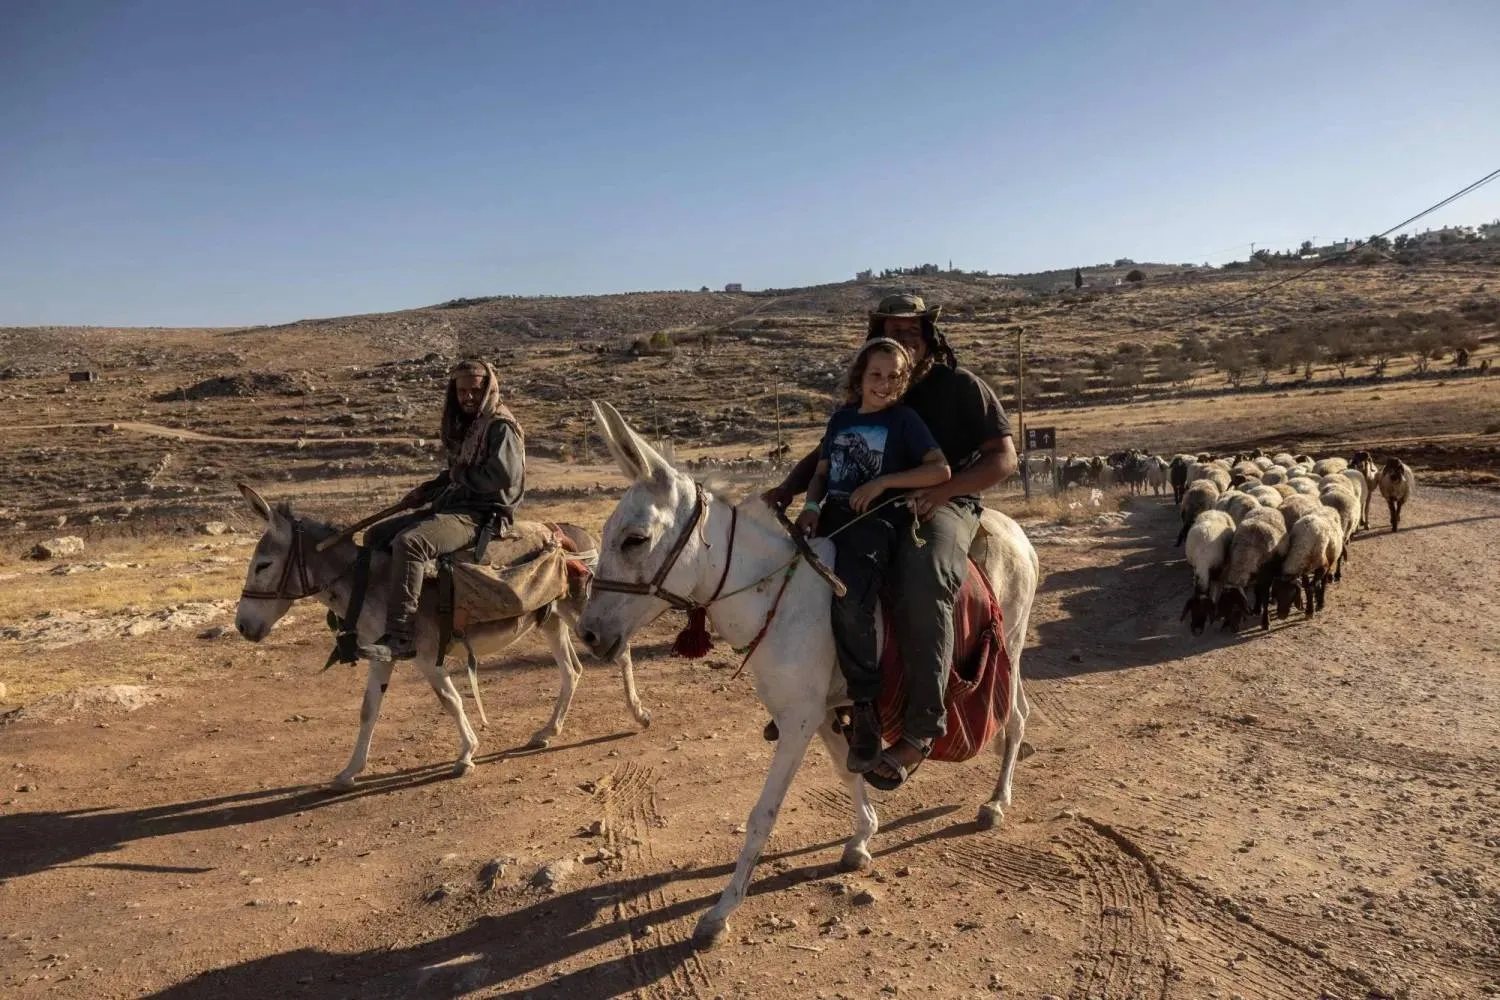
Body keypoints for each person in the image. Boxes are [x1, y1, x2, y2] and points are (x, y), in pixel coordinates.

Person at [765, 294, 1017, 788]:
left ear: (928, 337)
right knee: (820, 576)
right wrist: (786, 493)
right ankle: (829, 696)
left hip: (943, 503)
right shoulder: (875, 392)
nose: (903, 339)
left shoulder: (961, 387)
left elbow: (1003, 460)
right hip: (868, 509)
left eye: (912, 331)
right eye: (892, 330)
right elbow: (828, 453)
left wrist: (942, 491)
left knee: (924, 578)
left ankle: (922, 729)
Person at [795, 339, 950, 773]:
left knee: (848, 596)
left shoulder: (905, 421)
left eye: (894, 376)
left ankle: (864, 706)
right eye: (876, 375)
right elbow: (822, 475)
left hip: (875, 523)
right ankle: (799, 686)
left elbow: (941, 470)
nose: (884, 384)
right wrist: (809, 508)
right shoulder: (840, 420)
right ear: (860, 378)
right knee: (789, 583)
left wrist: (883, 484)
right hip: (831, 516)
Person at [360, 360, 526, 661]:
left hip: (481, 514)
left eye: (475, 391)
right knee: (375, 536)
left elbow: (500, 477)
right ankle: (382, 615)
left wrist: (458, 477)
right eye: (461, 391)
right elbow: (454, 473)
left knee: (411, 543)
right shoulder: (473, 425)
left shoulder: (500, 425)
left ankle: (402, 636)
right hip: (454, 506)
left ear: (488, 388)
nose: (468, 397)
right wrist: (425, 491)